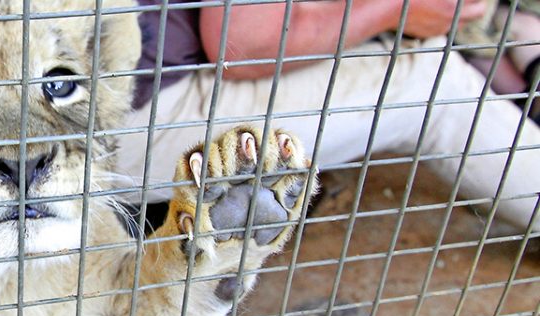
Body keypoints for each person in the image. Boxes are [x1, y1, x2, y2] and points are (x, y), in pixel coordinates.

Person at [116, 0, 540, 234]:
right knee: (433, 81)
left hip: (113, 91)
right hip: (106, 129)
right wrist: (396, 9)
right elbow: (241, 44)